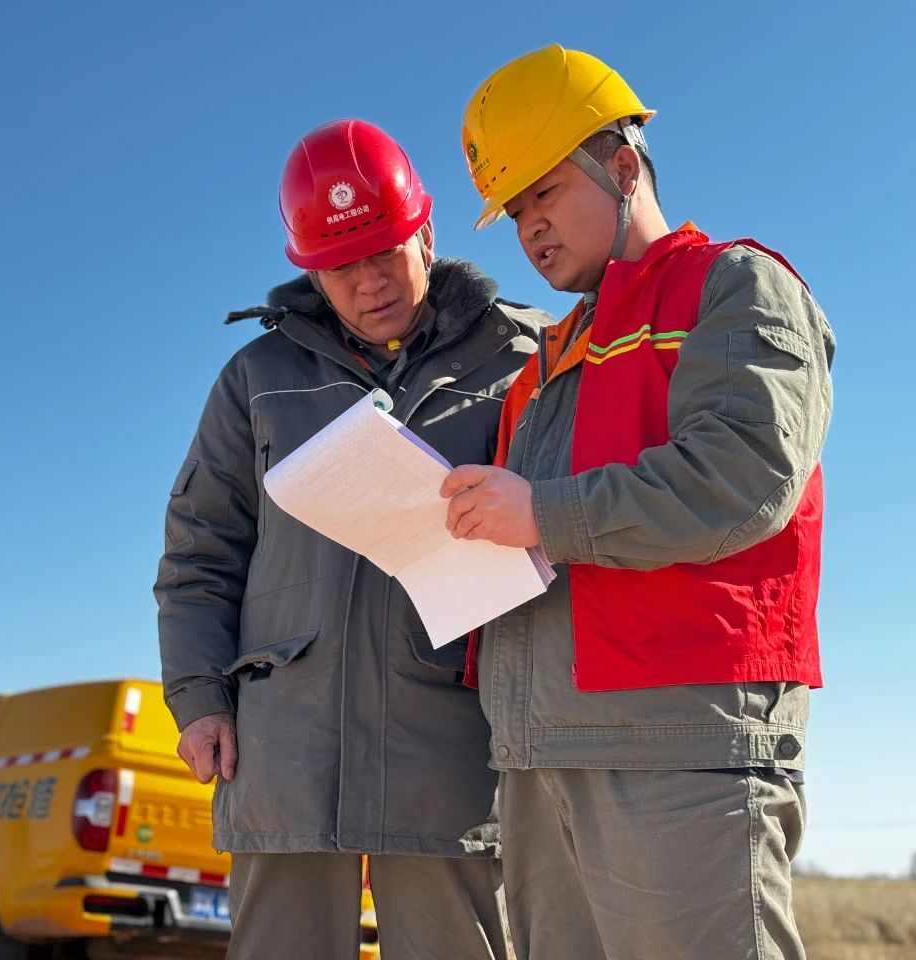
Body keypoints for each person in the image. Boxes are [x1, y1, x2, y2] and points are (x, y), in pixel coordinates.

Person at [441, 46, 835, 960]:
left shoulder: (730, 287)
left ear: (623, 167)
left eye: (544, 194)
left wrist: (539, 512)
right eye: (514, 213)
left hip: (681, 745)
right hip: (541, 762)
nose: (529, 230)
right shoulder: (539, 369)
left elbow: (743, 475)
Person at [155, 118, 547, 959]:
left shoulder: (524, 356)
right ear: (309, 269)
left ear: (426, 233)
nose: (369, 283)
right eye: (340, 265)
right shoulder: (257, 381)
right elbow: (198, 556)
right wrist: (196, 698)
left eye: (384, 252)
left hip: (451, 743)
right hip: (284, 749)